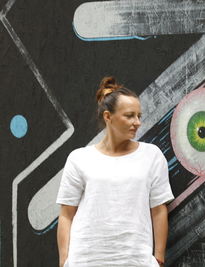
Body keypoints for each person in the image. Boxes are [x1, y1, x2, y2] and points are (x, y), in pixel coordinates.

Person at [56, 77, 174, 267]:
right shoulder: (79, 159)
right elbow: (66, 214)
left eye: (139, 116)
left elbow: (159, 210)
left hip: (135, 261)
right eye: (129, 116)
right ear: (108, 117)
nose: (137, 122)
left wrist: (158, 259)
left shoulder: (151, 156)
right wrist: (64, 261)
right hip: (86, 261)